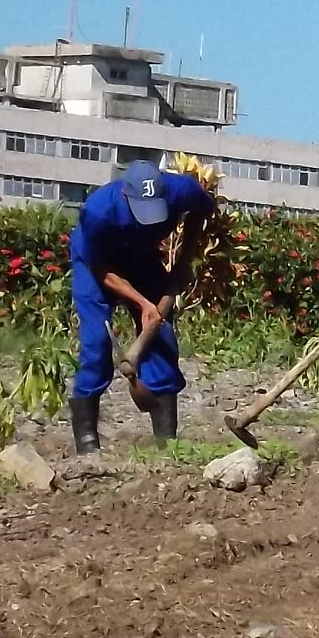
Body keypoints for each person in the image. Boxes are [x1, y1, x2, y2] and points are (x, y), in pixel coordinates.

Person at [69, 160, 214, 453]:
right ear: (125, 196)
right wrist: (143, 303)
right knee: (96, 341)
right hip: (98, 266)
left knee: (161, 338)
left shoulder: (181, 189)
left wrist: (185, 257)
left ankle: (167, 442)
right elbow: (102, 271)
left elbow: (202, 210)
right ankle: (87, 445)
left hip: (141, 257)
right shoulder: (98, 212)